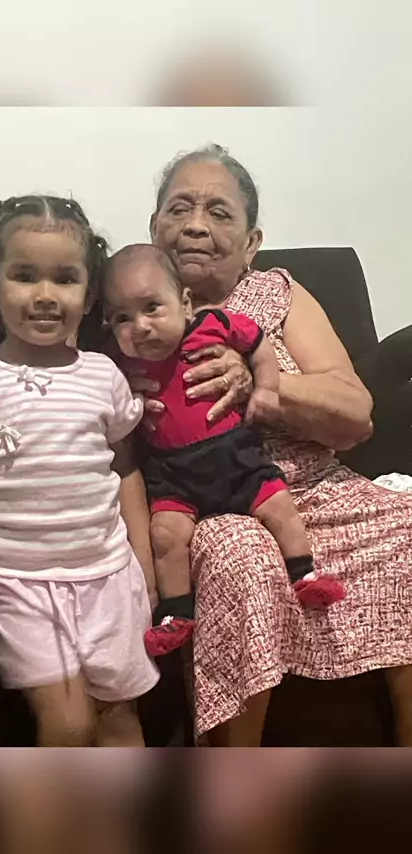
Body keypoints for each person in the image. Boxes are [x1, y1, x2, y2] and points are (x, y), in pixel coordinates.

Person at [125, 143, 412, 746]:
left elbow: (356, 414)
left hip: (318, 493)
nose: (196, 224)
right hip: (210, 507)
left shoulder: (278, 295)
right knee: (240, 556)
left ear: (252, 243)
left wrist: (265, 383)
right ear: (154, 227)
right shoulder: (129, 308)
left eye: (219, 213)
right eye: (179, 208)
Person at [0, 195, 159, 747]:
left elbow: (126, 470)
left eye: (65, 278)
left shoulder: (103, 375)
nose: (45, 295)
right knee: (70, 724)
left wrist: (145, 564)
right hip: (24, 586)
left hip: (110, 577)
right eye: (24, 275)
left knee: (120, 720)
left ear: (89, 294)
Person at [103, 244, 344, 657]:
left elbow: (259, 345)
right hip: (174, 476)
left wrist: (266, 388)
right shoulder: (120, 363)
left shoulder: (214, 326)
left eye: (152, 308)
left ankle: (305, 575)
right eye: (122, 318)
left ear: (184, 303)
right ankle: (175, 614)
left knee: (280, 506)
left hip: (238, 461)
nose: (139, 327)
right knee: (165, 536)